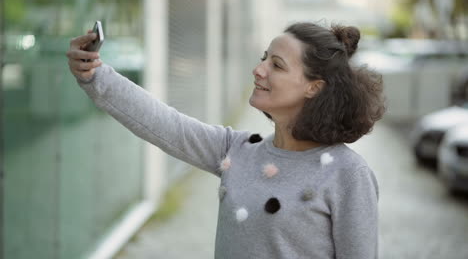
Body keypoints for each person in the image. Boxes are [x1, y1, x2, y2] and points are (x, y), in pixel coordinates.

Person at [66, 21, 385, 259]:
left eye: (276, 65)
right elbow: (165, 123)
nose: (258, 70)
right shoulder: (238, 150)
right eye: (264, 58)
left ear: (314, 87)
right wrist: (94, 75)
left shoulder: (347, 173)